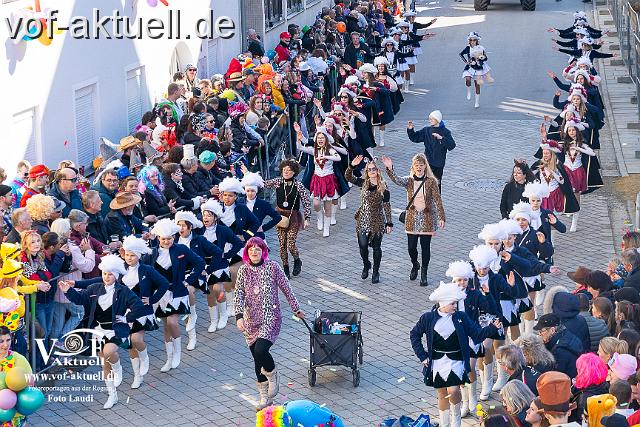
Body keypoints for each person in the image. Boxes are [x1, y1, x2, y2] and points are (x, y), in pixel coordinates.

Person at [58, 255, 147, 409]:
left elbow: (139, 306)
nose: (106, 277)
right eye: (105, 273)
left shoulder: (123, 291)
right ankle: (112, 395)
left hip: (114, 330)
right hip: (97, 331)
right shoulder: (94, 288)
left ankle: (118, 367)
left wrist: (127, 318)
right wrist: (68, 291)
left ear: (117, 275)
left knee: (109, 352)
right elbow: (80, 299)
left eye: (110, 274)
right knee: (104, 364)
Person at [410, 281, 501, 427]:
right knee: (441, 394)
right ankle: (445, 423)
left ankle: (456, 420)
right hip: (437, 362)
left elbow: (476, 335)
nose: (455, 306)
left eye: (455, 303)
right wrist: (423, 356)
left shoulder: (461, 317)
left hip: (456, 360)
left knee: (453, 390)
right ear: (443, 303)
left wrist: (491, 328)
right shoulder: (428, 318)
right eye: (452, 303)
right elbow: (414, 334)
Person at [234, 237, 304, 410]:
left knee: (261, 350)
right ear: (247, 252)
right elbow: (239, 294)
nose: (254, 252)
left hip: (270, 318)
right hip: (251, 322)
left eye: (258, 249)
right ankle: (264, 397)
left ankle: (272, 374)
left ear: (263, 251)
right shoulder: (243, 271)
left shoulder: (272, 267)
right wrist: (239, 317)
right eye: (251, 249)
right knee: (257, 359)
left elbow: (286, 288)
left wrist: (296, 308)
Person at [142, 219, 204, 373]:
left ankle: (178, 353)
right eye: (163, 239)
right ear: (158, 239)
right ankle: (169, 358)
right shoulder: (152, 253)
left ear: (174, 237)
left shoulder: (181, 249)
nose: (166, 241)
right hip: (160, 295)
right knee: (166, 326)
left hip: (177, 292)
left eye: (169, 238)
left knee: (173, 322)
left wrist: (189, 280)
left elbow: (199, 263)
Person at [382, 153, 445, 286]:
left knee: (425, 247)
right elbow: (396, 180)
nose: (419, 167)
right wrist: (390, 168)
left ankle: (424, 273)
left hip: (427, 218)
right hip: (412, 219)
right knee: (411, 247)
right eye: (416, 165)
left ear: (425, 167)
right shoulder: (409, 180)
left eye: (421, 165)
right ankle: (415, 264)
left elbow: (437, 200)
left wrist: (441, 217)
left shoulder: (431, 182)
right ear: (413, 167)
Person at [174, 211, 229, 350]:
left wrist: (209, 269)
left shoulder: (199, 240)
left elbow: (217, 252)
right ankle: (192, 337)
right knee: (182, 304)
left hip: (197, 273)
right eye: (178, 225)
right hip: (179, 277)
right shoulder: (173, 242)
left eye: (183, 225)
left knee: (192, 291)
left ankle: (217, 316)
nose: (181, 228)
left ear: (190, 226)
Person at [120, 236, 170, 389]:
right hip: (125, 312)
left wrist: (153, 299)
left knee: (136, 339)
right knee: (129, 344)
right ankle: (137, 375)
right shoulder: (120, 268)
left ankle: (144, 356)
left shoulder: (147, 270)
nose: (129, 258)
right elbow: (101, 282)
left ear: (139, 256)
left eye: (133, 255)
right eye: (127, 254)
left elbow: (164, 283)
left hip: (142, 310)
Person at [346, 156, 393, 284]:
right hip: (363, 218)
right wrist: (352, 166)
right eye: (369, 169)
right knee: (363, 246)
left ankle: (376, 272)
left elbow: (387, 205)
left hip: (377, 219)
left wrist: (389, 222)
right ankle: (366, 264)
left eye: (374, 169)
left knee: (377, 247)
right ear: (366, 172)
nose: (372, 171)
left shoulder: (383, 186)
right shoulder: (363, 183)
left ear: (378, 171)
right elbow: (348, 177)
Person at [263, 159, 311, 278]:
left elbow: (306, 202)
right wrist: (248, 175)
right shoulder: (278, 182)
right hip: (279, 216)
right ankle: (285, 268)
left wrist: (307, 218)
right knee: (282, 244)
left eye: (289, 170)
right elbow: (263, 184)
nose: (286, 172)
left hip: (293, 216)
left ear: (294, 172)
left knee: (290, 244)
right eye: (284, 170)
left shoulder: (298, 185)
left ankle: (297, 260)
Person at [406, 111, 456, 192]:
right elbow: (415, 138)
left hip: (438, 163)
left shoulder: (445, 132)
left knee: (436, 184)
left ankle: (437, 202)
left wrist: (441, 138)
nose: (430, 120)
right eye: (429, 118)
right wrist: (410, 130)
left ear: (438, 119)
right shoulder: (427, 130)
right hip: (427, 162)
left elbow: (452, 145)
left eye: (432, 118)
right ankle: (426, 202)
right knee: (425, 184)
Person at [533, 314, 583, 378]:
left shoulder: (559, 351)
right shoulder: (566, 334)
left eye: (541, 331)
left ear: (552, 330)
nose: (539, 334)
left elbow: (554, 375)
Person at [240, 171, 282, 238]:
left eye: (252, 191)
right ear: (245, 191)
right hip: (241, 236)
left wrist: (263, 228)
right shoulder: (239, 201)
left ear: (256, 191)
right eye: (248, 191)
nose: (250, 193)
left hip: (256, 236)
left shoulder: (263, 204)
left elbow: (277, 217)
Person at [570, 353, 610, 423]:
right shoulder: (605, 385)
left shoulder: (584, 399)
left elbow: (581, 422)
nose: (577, 371)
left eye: (579, 369)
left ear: (584, 373)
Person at [460, 32, 494, 108]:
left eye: (474, 40)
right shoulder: (467, 48)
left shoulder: (481, 48)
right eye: (471, 40)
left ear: (477, 40)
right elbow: (461, 54)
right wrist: (466, 61)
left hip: (478, 67)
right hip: (470, 66)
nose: (472, 41)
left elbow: (486, 57)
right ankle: (468, 91)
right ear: (469, 40)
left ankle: (477, 102)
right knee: (467, 79)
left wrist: (481, 57)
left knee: (477, 85)